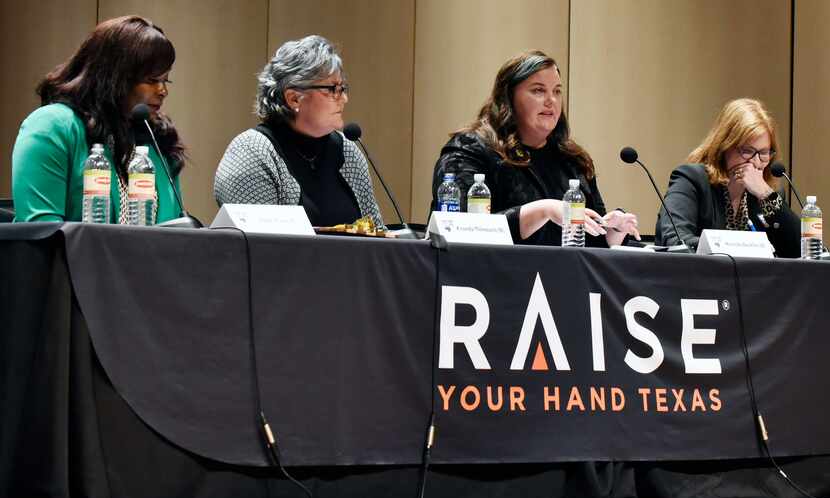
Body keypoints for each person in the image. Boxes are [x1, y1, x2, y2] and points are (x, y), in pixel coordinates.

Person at [430, 50, 639, 246]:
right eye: (538, 90)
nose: (551, 100)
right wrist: (542, 210)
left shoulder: (572, 160)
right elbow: (458, 229)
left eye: (557, 91)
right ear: (509, 98)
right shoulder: (470, 149)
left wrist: (613, 230)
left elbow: (588, 243)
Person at [12, 15, 186, 223]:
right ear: (113, 76)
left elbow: (177, 231)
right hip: (74, 256)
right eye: (152, 80)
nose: (163, 90)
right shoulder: (53, 127)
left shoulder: (156, 139)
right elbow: (41, 233)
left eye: (166, 80)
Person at [214, 35, 384, 229]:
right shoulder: (251, 153)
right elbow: (258, 246)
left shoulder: (347, 151)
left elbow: (376, 234)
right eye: (332, 89)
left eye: (343, 88)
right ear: (294, 98)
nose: (343, 98)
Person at [655, 98, 799, 257]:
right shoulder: (691, 180)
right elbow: (675, 242)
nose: (756, 162)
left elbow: (801, 251)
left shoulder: (769, 196)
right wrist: (741, 248)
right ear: (724, 146)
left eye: (764, 153)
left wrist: (766, 195)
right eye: (747, 151)